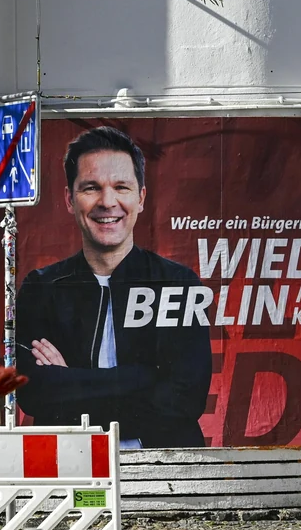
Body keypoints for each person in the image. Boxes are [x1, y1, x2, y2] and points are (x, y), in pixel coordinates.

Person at [15, 126, 212, 448]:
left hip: (164, 465)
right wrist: (140, 377)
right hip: (71, 461)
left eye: (121, 187)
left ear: (141, 198)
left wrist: (70, 382)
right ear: (69, 199)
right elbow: (35, 394)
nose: (108, 202)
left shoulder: (177, 283)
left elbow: (184, 399)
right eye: (91, 188)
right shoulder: (42, 287)